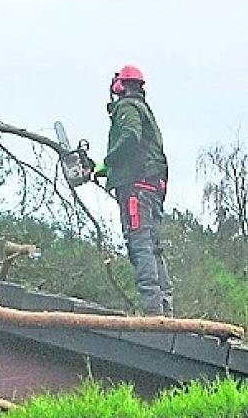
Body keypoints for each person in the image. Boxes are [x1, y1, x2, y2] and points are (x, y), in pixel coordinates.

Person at [93, 65, 173, 316]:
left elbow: (129, 138)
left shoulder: (126, 108)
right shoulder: (144, 110)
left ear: (121, 85)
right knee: (152, 245)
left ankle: (152, 311)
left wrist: (108, 161)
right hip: (152, 185)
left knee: (139, 243)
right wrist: (104, 169)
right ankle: (165, 308)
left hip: (137, 188)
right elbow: (137, 151)